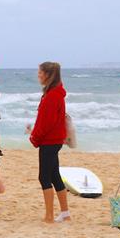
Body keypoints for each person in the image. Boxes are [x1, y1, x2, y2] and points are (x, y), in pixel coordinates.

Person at [27, 61, 70, 224]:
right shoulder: (55, 93)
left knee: (44, 177)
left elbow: (46, 123)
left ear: (47, 75)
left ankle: (49, 216)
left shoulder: (52, 96)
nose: (38, 75)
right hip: (54, 140)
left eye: (40, 72)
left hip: (50, 141)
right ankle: (65, 213)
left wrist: (34, 138)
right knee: (54, 175)